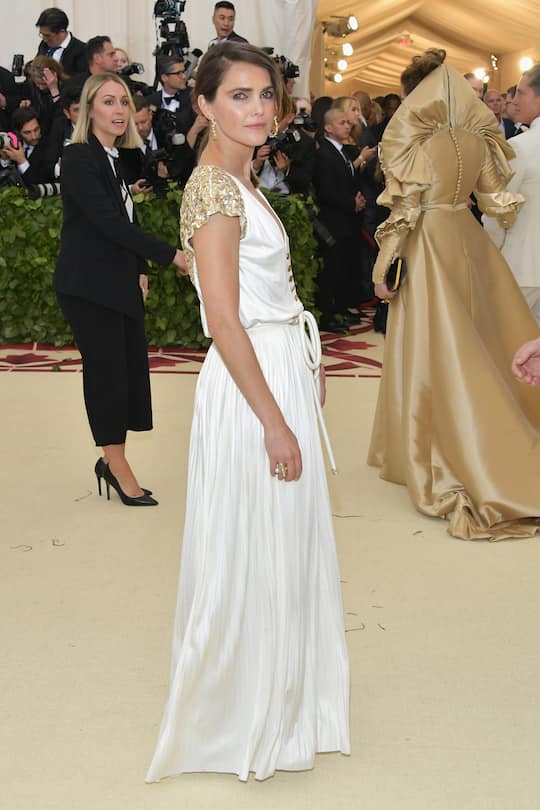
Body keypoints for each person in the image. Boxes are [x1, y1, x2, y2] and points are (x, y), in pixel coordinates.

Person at [146, 42, 349, 782]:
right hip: (248, 385)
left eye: (265, 93)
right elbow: (226, 321)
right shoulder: (213, 189)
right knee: (253, 545)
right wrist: (273, 418)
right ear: (203, 104)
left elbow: (269, 294)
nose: (259, 108)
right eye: (239, 95)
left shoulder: (241, 176)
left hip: (274, 368)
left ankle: (281, 702)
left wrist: (304, 365)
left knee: (280, 541)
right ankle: (243, 716)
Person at [368, 49, 540, 541]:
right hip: (468, 238)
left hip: (427, 243)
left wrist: (382, 269)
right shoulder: (479, 136)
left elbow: (403, 211)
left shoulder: (412, 141)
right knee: (473, 341)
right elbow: (499, 203)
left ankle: (429, 450)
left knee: (430, 349)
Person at [54, 72, 186, 506]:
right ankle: (116, 465)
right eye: (108, 101)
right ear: (89, 109)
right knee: (108, 375)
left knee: (126, 374)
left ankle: (113, 460)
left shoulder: (114, 158)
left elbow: (128, 220)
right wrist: (172, 255)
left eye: (124, 102)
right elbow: (108, 224)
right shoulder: (78, 156)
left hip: (118, 281)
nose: (119, 110)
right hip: (89, 285)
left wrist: (141, 267)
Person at [483, 64, 540, 324]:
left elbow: (498, 209)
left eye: (521, 93)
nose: (514, 101)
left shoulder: (520, 145)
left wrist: (489, 251)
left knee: (506, 342)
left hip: (523, 266)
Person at [0, 107, 54, 185]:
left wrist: (22, 161)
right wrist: (4, 159)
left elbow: (41, 183)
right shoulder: (12, 142)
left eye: (36, 130)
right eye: (27, 132)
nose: (34, 136)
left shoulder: (49, 146)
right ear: (17, 133)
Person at [35, 7, 87, 76]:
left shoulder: (81, 50)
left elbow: (80, 80)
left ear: (62, 32)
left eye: (47, 35)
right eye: (42, 34)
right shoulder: (43, 45)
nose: (44, 39)